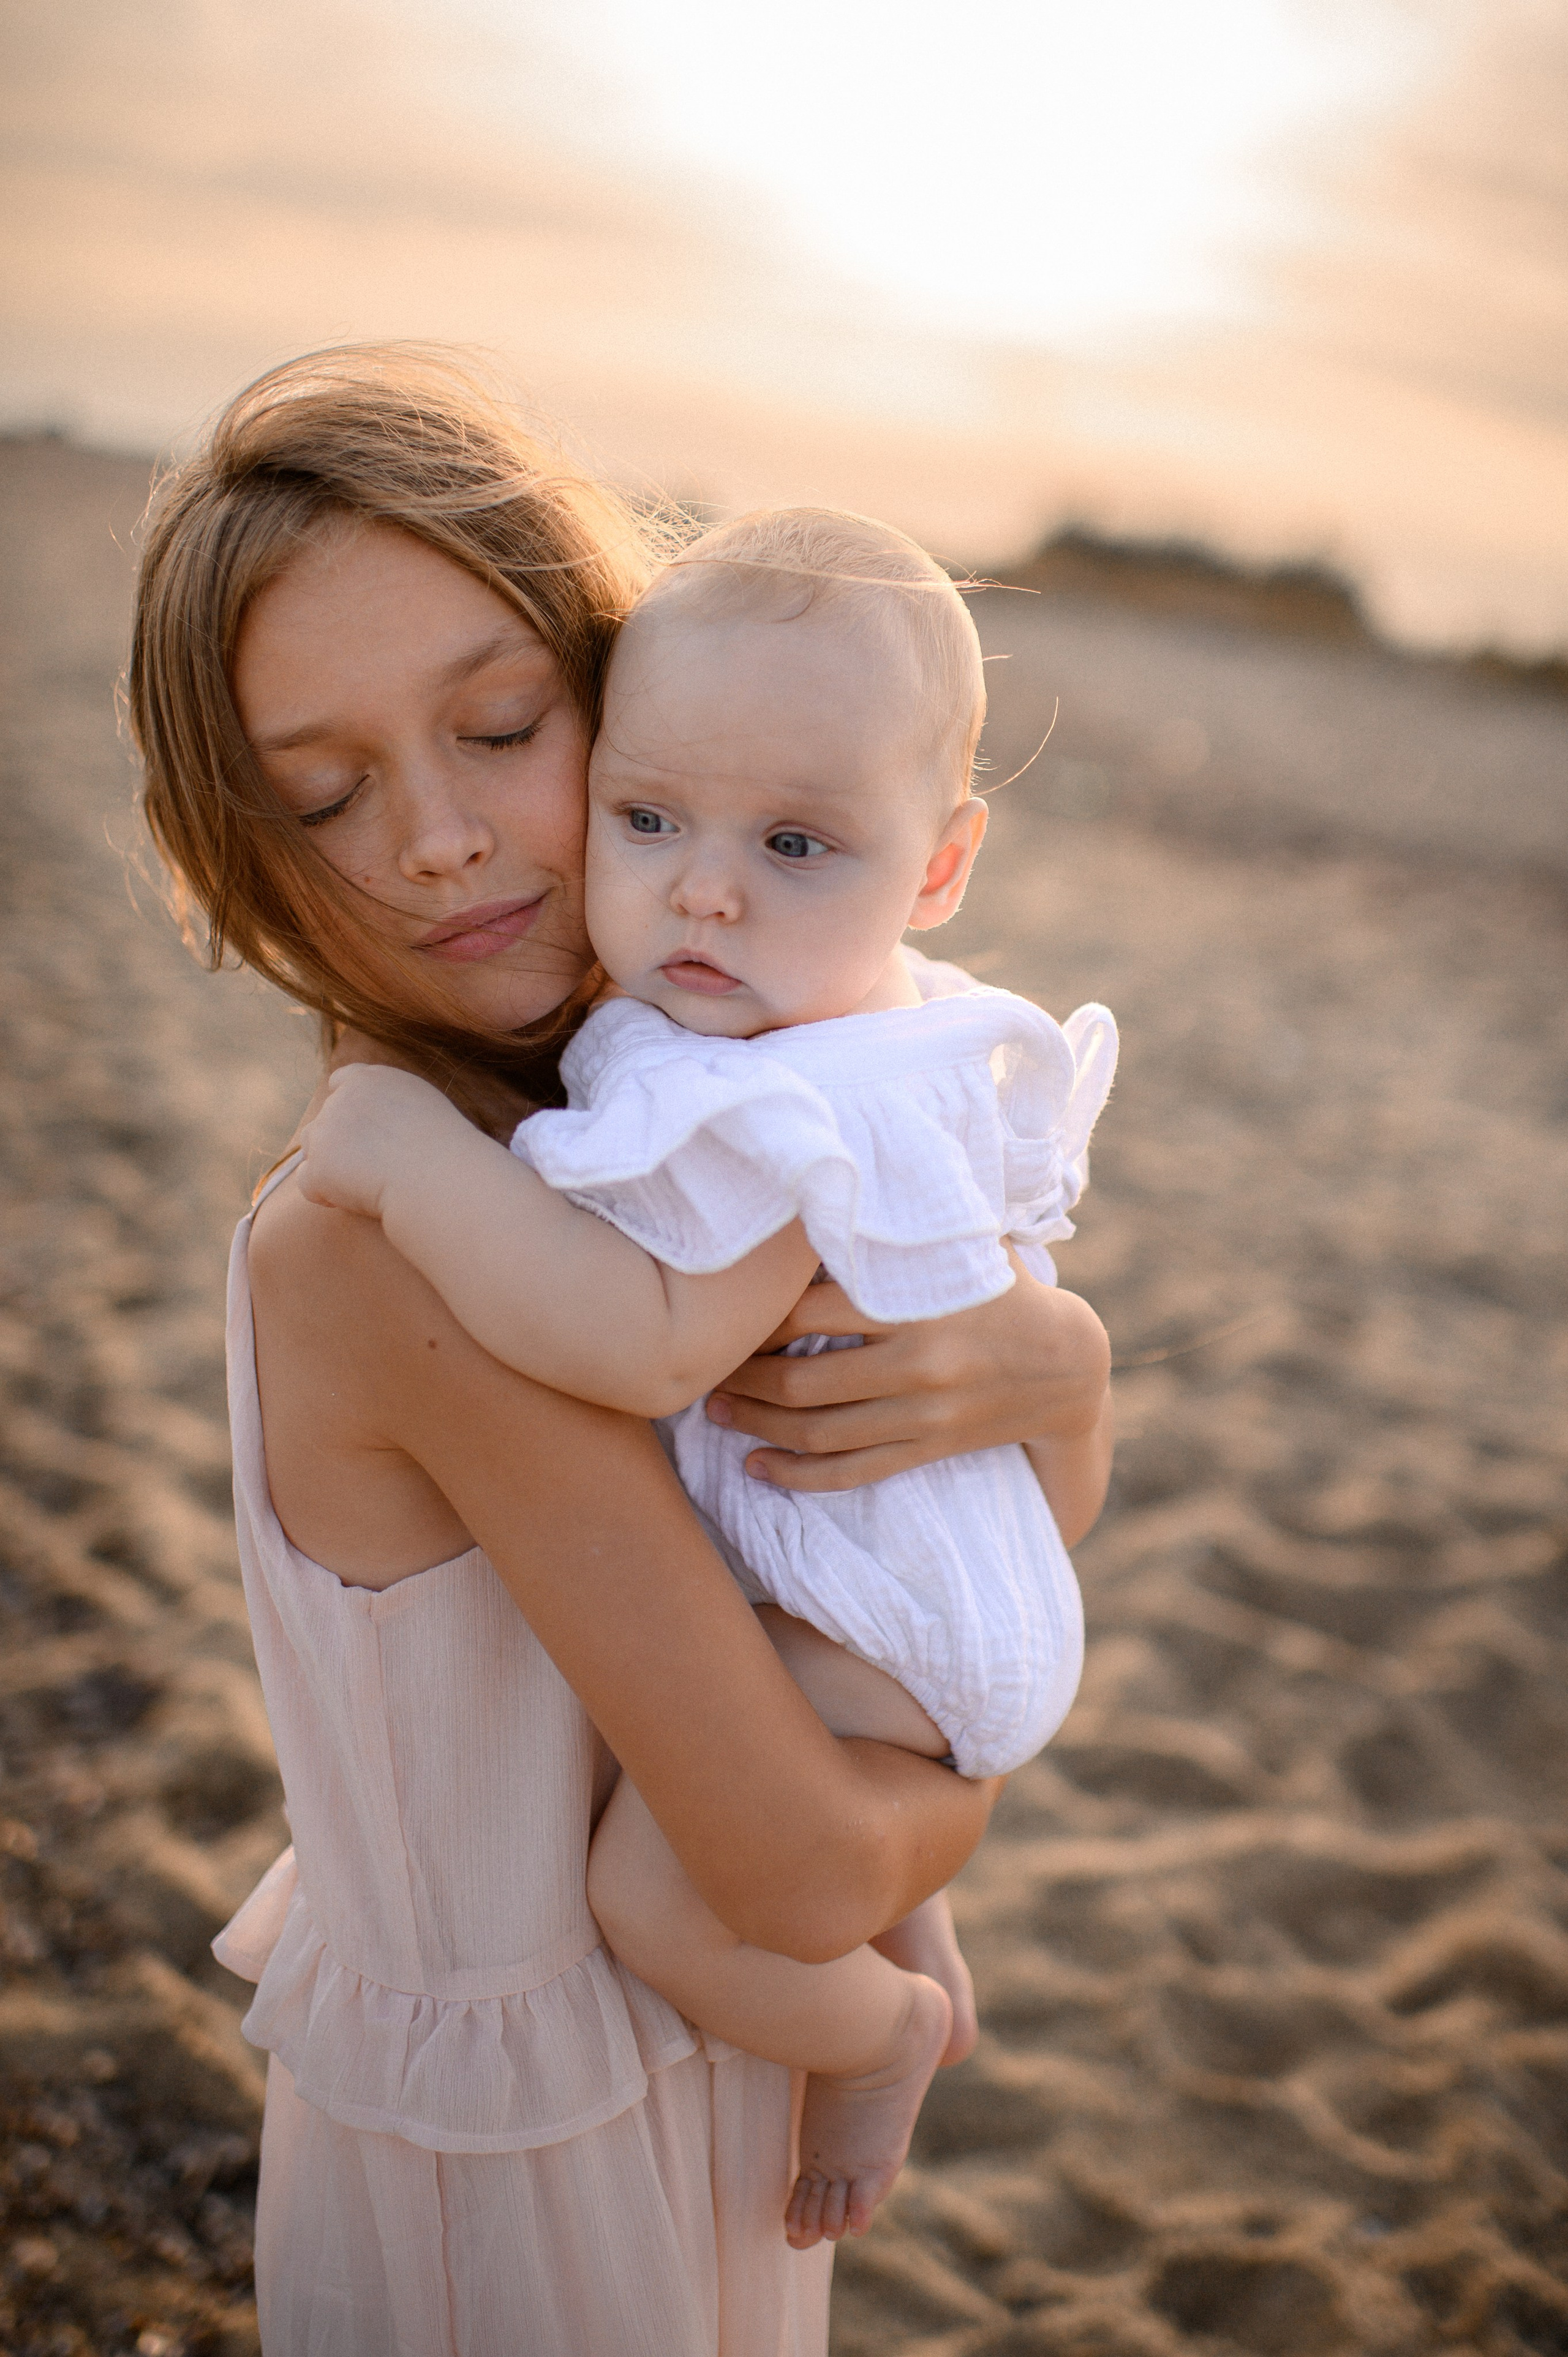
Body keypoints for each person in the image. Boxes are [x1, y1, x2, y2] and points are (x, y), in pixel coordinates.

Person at [128, 345, 1115, 2355]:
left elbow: (926, 1523)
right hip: (534, 2148)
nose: (435, 838)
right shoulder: (398, 1247)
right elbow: (795, 1848)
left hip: (709, 2052)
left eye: (504, 729)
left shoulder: (626, 1130)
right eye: (324, 793)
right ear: (237, 845)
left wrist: (1065, 1365)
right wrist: (938, 1838)